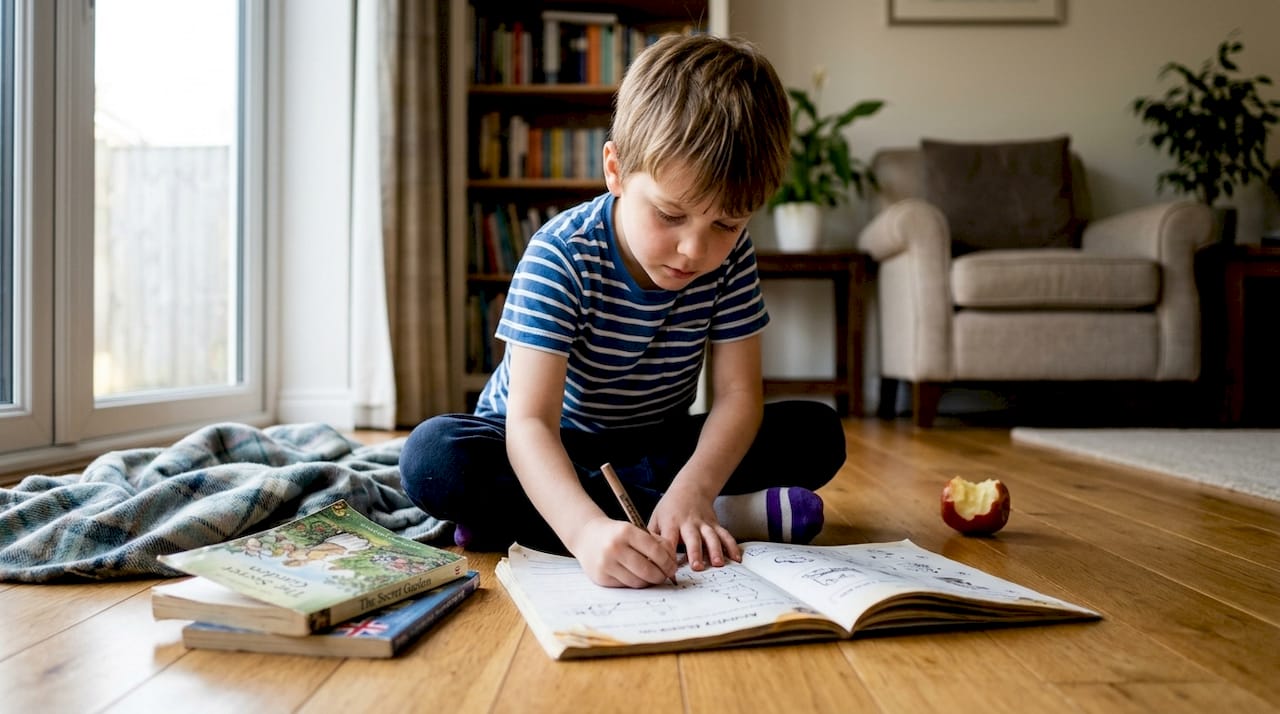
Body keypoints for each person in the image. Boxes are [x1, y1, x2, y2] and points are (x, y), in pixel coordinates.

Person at [399, 33, 846, 588]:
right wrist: (585, 532)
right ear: (615, 170)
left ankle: (558, 516)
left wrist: (695, 488)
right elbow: (529, 425)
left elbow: (738, 397)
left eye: (726, 225)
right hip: (542, 442)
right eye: (670, 215)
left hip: (653, 442)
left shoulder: (732, 260)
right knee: (434, 458)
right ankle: (720, 517)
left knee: (818, 433)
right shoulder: (561, 253)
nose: (695, 250)